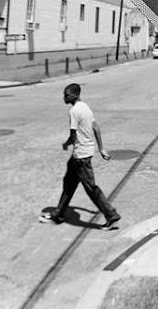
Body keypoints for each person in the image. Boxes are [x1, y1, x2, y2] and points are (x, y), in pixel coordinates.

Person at [39, 83, 121, 229]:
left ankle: (111, 215)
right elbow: (96, 127)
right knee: (69, 183)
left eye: (67, 95)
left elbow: (73, 135)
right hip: (82, 153)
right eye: (64, 94)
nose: (64, 97)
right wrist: (101, 149)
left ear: (75, 95)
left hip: (81, 156)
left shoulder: (74, 111)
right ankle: (59, 213)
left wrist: (66, 144)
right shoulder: (85, 107)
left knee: (91, 188)